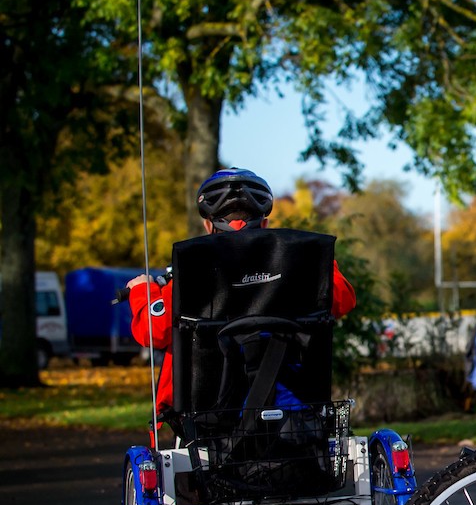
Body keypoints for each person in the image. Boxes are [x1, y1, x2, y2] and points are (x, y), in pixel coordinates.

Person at [126, 168, 357, 430]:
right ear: (264, 223)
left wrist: (143, 291)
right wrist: (315, 266)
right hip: (294, 416)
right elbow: (343, 298)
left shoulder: (194, 274)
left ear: (208, 225)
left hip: (210, 418)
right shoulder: (299, 264)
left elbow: (152, 331)